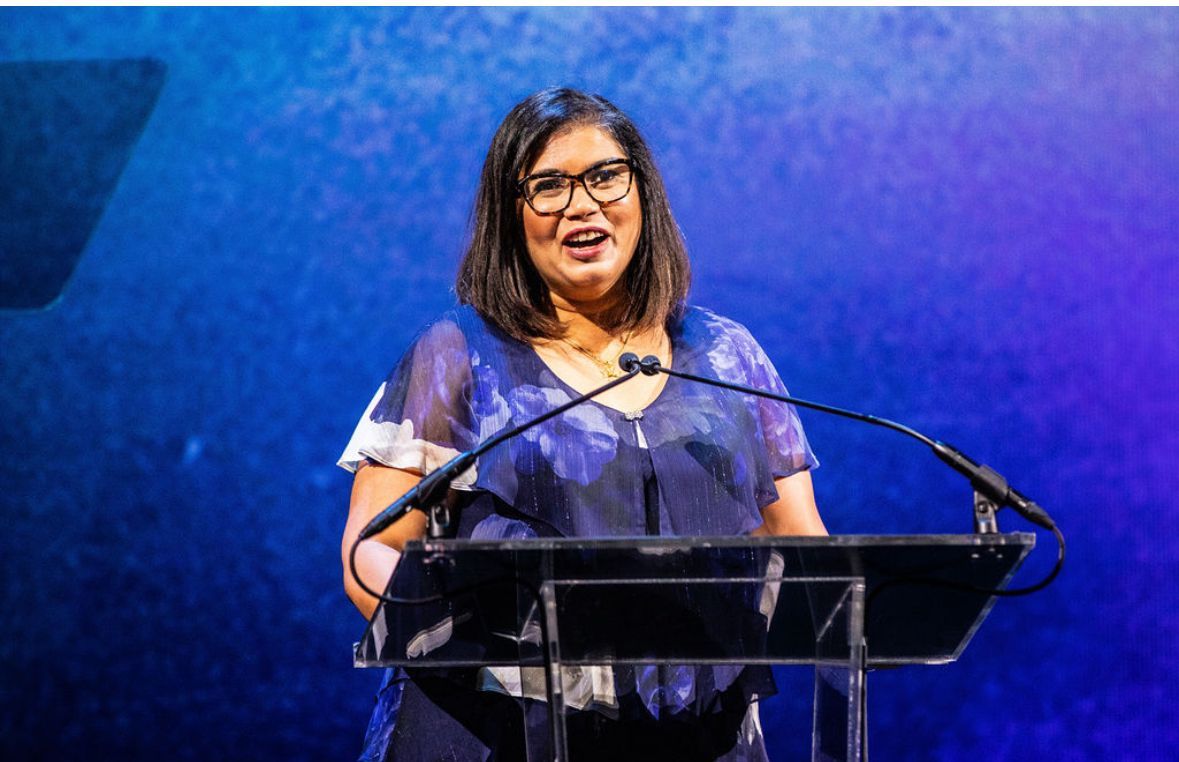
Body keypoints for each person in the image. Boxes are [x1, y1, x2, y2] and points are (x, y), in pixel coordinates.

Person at [338, 87, 827, 761]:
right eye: (547, 186)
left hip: (698, 732)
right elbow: (372, 550)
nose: (580, 204)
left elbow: (807, 555)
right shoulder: (458, 354)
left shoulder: (725, 356)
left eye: (604, 176)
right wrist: (468, 649)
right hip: (494, 726)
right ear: (511, 217)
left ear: (642, 193)